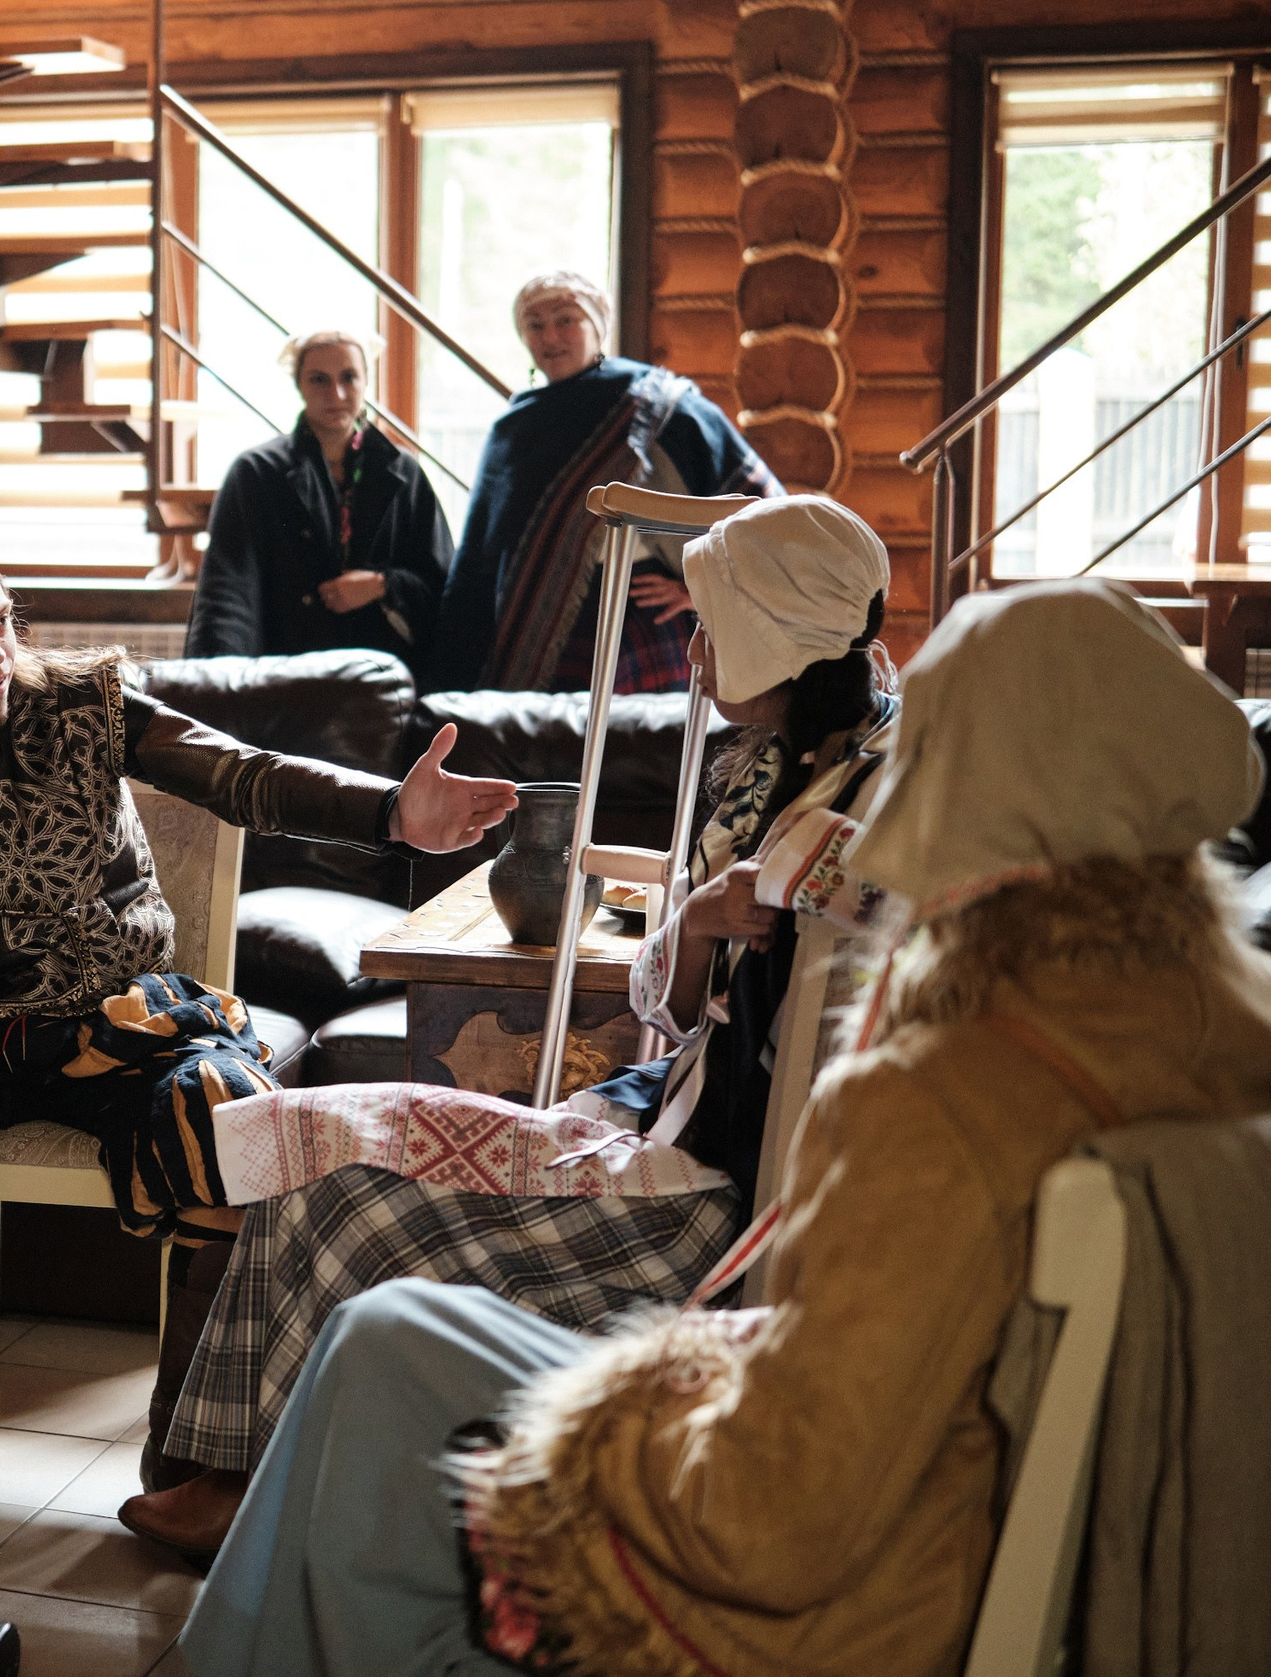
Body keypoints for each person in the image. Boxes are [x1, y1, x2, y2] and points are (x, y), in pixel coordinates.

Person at [179, 577, 1271, 1677]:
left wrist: (640, 1394)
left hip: (849, 1597)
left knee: (381, 1346)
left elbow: (770, 1527)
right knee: (392, 1333)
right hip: (955, 1507)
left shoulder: (938, 1096)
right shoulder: (1220, 1045)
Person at [120, 493, 899, 1556]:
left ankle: (261, 1497)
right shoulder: (764, 774)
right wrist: (705, 921)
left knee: (355, 1207)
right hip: (658, 1110)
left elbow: (775, 1051)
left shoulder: (862, 812)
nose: (696, 647)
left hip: (704, 1183)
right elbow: (659, 1004)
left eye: (715, 623)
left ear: (778, 629)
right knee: (303, 1153)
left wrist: (702, 931)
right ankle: (229, 1472)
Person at [0, 511, 517, 1416]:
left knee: (227, 1126)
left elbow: (245, 775)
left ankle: (191, 1460)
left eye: (1, 621)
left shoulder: (82, 704)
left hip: (123, 1020)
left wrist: (393, 812)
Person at [431, 271, 781, 694]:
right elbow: (484, 554)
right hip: (544, 629)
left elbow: (762, 508)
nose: (550, 336)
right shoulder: (515, 427)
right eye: (534, 325)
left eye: (566, 320)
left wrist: (704, 590)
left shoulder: (659, 405)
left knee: (641, 751)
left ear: (598, 326)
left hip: (646, 615)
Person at [184, 329, 451, 678]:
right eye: (319, 380)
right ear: (299, 386)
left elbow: (441, 583)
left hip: (382, 684)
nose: (336, 394)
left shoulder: (406, 473)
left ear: (367, 382)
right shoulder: (255, 472)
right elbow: (228, 593)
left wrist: (381, 584)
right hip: (284, 680)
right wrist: (217, 685)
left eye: (349, 377)